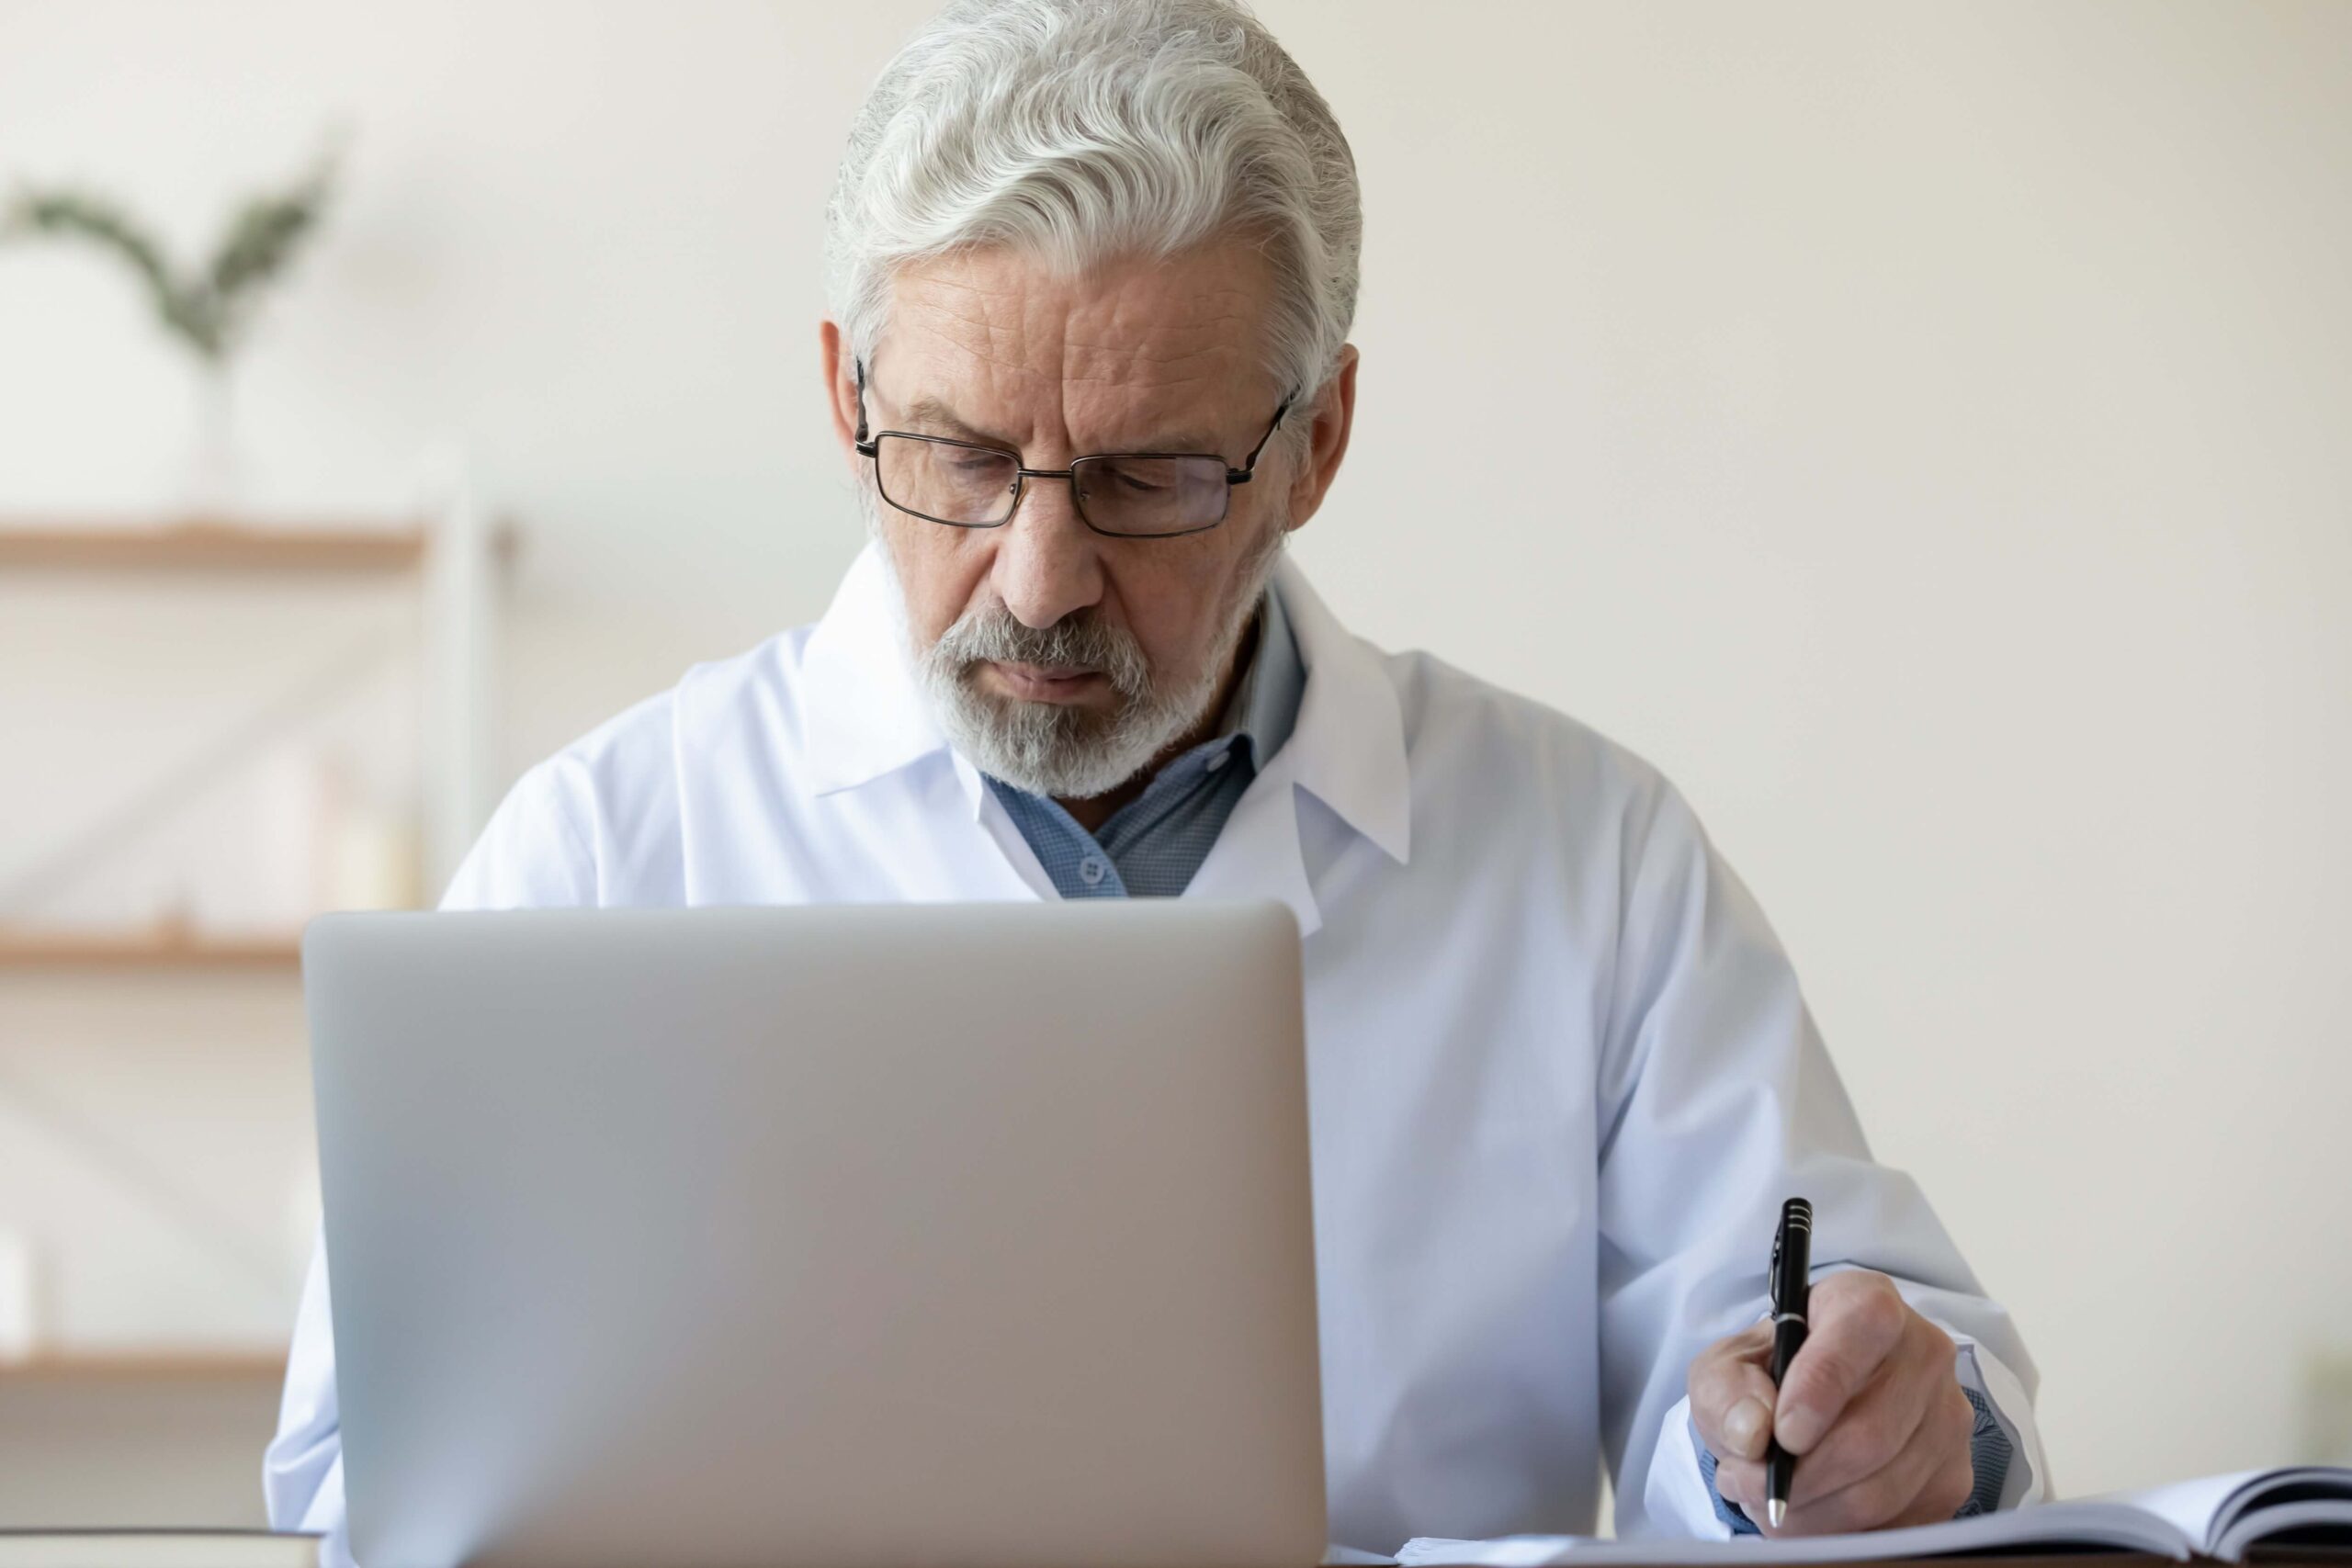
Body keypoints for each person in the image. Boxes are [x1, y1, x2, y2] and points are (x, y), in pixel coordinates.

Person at [266, 0, 2048, 1555]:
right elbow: (364, 1477)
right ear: (842, 397)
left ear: (1313, 444)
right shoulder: (605, 846)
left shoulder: (1584, 859)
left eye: (1146, 478)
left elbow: (1840, 1402)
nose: (1038, 576)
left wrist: (1866, 1440)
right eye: (961, 460)